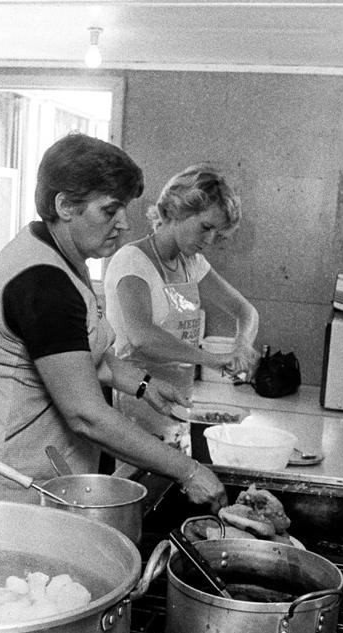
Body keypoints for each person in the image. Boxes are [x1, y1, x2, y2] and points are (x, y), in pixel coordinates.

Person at [0, 133, 227, 511]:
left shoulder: (58, 255)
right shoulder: (43, 283)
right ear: (64, 205)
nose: (124, 224)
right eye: (110, 210)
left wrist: (142, 383)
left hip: (39, 479)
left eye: (124, 208)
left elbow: (79, 353)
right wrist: (188, 471)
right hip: (5, 490)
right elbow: (86, 416)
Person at [103, 164, 259, 441]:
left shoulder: (192, 263)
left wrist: (242, 344)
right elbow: (142, 337)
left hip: (176, 401)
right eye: (206, 227)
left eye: (218, 234)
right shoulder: (131, 261)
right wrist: (212, 360)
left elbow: (245, 311)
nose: (210, 240)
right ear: (176, 210)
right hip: (134, 402)